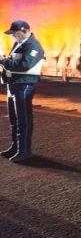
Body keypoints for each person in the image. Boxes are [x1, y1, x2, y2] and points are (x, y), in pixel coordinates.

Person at [0, 20, 45, 163]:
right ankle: (15, 147)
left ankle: (24, 150)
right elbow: (14, 61)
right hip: (14, 84)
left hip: (24, 85)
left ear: (24, 31)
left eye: (15, 33)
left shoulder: (33, 46)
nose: (13, 36)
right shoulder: (20, 43)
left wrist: (3, 61)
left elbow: (24, 65)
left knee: (23, 118)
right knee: (14, 118)